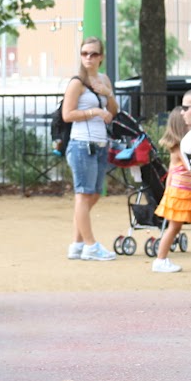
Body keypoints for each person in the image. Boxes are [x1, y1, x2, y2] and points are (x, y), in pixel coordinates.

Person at [62, 37, 118, 261]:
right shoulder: (77, 82)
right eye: (84, 53)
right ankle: (90, 245)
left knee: (93, 194)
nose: (88, 58)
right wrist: (93, 112)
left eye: (93, 54)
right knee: (83, 194)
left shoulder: (103, 79)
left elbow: (113, 111)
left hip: (100, 143)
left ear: (101, 57)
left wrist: (107, 93)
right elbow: (68, 114)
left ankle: (77, 244)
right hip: (81, 143)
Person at [149, 108, 191, 273]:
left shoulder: (180, 147)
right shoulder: (180, 148)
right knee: (175, 228)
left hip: (183, 194)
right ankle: (160, 260)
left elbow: (171, 173)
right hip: (181, 195)